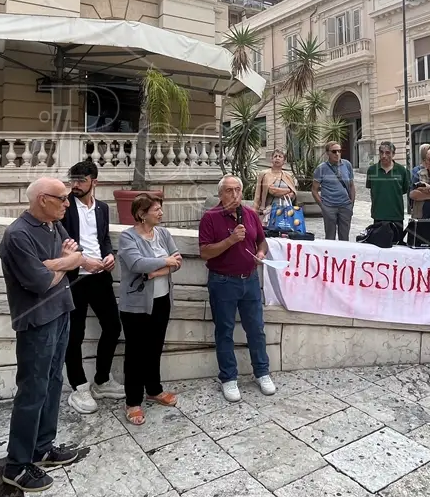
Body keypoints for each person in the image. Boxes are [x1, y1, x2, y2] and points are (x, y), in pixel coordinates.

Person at [0, 178, 84, 492]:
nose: (67, 204)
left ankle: (43, 447)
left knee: (53, 382)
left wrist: (59, 263)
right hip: (37, 320)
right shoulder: (18, 234)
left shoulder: (52, 226)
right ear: (42, 199)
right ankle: (17, 464)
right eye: (62, 198)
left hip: (61, 311)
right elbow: (39, 282)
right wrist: (66, 262)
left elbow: (70, 260)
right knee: (32, 390)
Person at [198, 175, 276, 402]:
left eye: (237, 190)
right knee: (225, 331)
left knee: (256, 329)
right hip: (223, 282)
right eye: (229, 191)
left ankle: (262, 372)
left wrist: (261, 253)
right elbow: (205, 252)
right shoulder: (210, 218)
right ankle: (229, 378)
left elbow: (262, 241)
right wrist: (231, 240)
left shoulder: (250, 214)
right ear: (220, 194)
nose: (234, 195)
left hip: (250, 280)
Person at [61, 160, 121, 415]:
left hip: (100, 277)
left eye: (81, 181)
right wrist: (85, 260)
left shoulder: (103, 208)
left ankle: (102, 380)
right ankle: (79, 386)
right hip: (74, 278)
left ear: (94, 182)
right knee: (74, 333)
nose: (75, 186)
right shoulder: (64, 206)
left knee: (113, 326)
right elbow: (59, 241)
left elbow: (103, 238)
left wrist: (109, 256)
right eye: (72, 180)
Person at [117, 195, 184, 424]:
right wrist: (165, 263)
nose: (160, 213)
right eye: (156, 209)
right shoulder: (128, 237)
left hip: (161, 299)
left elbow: (177, 261)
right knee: (135, 353)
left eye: (160, 209)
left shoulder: (164, 234)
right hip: (136, 304)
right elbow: (136, 264)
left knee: (155, 347)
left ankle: (154, 389)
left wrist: (155, 272)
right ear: (141, 213)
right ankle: (133, 401)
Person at [311, 141, 355, 240]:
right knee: (330, 237)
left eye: (339, 151)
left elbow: (352, 185)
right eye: (334, 151)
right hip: (329, 207)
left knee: (344, 237)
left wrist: (351, 203)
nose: (337, 154)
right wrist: (323, 206)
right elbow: (314, 190)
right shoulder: (321, 168)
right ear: (328, 153)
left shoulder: (347, 165)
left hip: (345, 206)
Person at [254, 149, 304, 234]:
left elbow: (293, 193)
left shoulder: (288, 175)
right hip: (269, 209)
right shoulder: (264, 174)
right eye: (275, 156)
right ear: (271, 159)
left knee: (285, 232)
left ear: (284, 161)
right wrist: (287, 191)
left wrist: (287, 192)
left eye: (280, 157)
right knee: (269, 233)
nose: (277, 158)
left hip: (285, 209)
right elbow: (272, 191)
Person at [365, 141, 410, 229]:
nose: (384, 156)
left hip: (396, 215)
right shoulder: (372, 170)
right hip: (378, 215)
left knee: (396, 242)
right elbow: (371, 187)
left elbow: (405, 189)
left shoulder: (402, 171)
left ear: (393, 154)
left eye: (387, 153)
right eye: (381, 152)